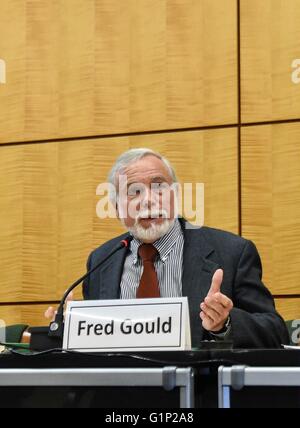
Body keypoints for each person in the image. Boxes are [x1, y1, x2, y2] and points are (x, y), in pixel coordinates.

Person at [47, 148, 289, 348]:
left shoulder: (232, 252)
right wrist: (72, 329)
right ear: (117, 207)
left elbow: (276, 332)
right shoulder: (101, 261)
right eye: (133, 191)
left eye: (159, 186)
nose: (148, 199)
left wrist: (225, 324)